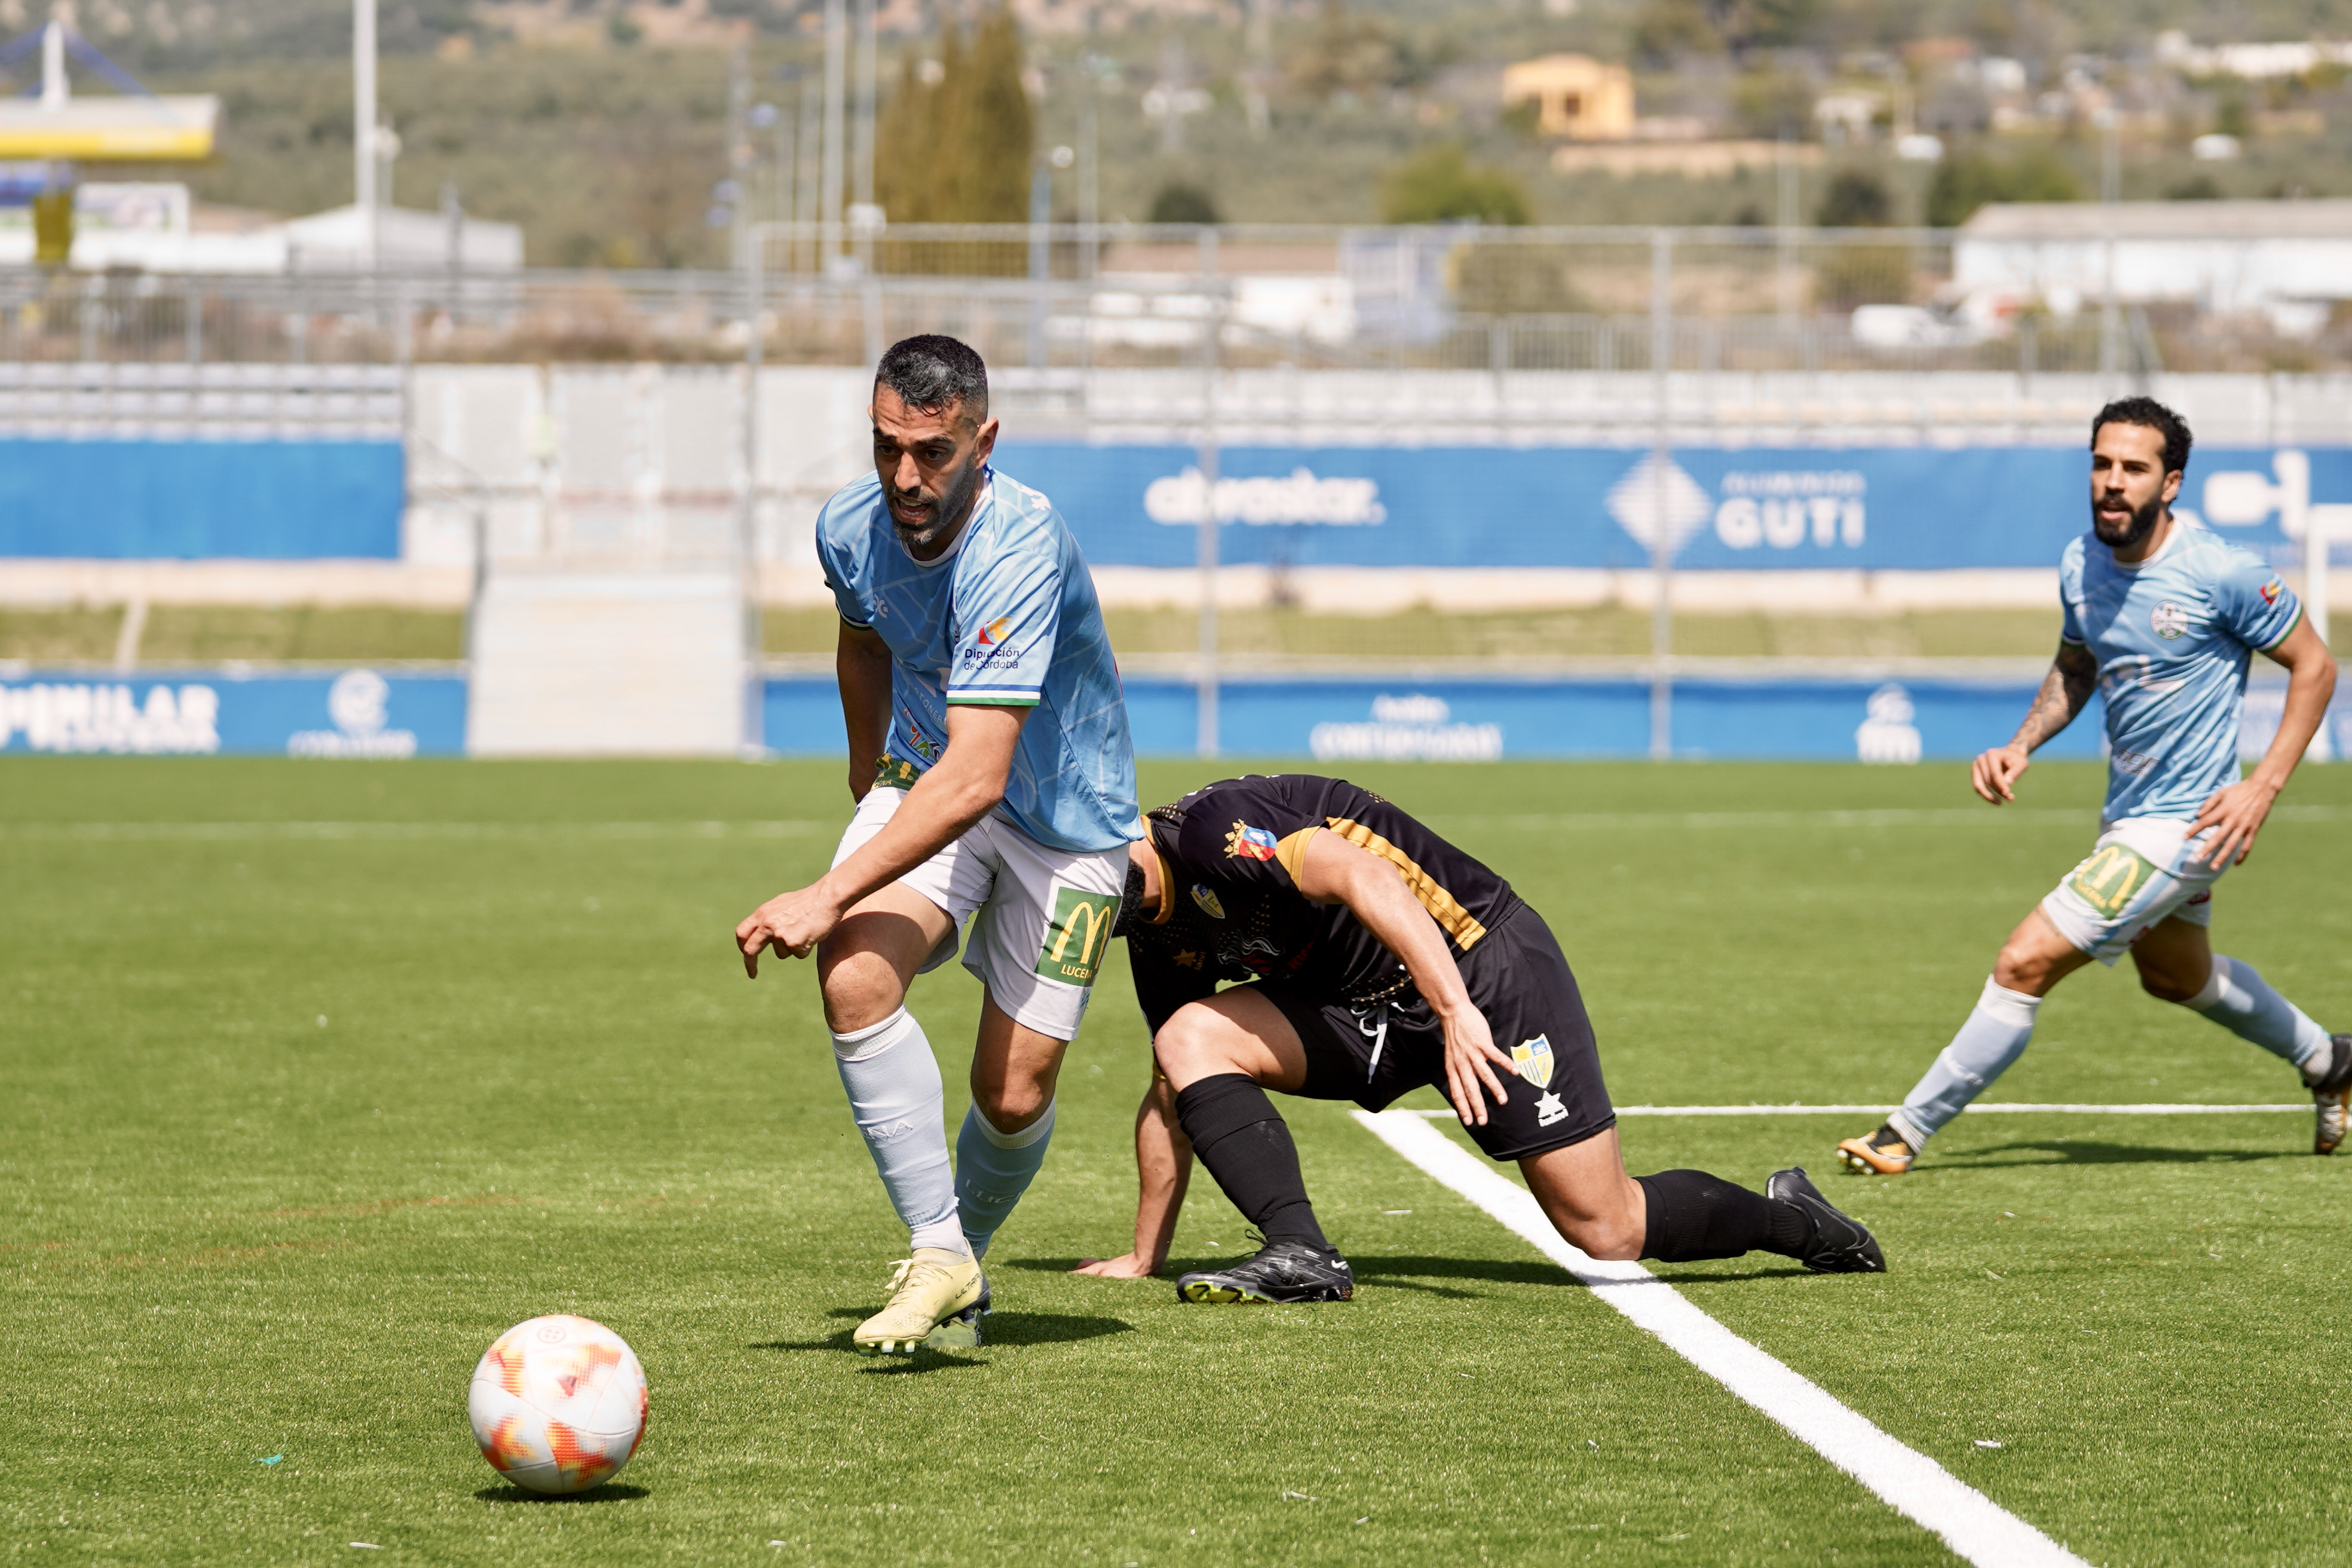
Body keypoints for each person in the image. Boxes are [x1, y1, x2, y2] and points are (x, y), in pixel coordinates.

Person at [1073, 774, 1885, 1300]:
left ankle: (1798, 1220)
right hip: (1359, 1009)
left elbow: (1366, 876)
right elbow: (1169, 1092)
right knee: (1187, 1042)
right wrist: (1147, 1253)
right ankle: (1300, 1252)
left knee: (1605, 1227)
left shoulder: (1214, 826)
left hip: (1481, 966)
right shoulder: (1155, 928)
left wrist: (1459, 1011)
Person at [736, 335, 1141, 1352]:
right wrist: (866, 771)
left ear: (985, 440)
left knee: (1012, 1093)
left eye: (934, 453)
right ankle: (938, 1250)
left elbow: (982, 777)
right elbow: (866, 635)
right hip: (925, 773)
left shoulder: (1020, 545)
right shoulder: (848, 527)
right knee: (856, 977)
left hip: (1069, 821)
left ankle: (964, 1261)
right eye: (886, 449)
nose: (906, 478)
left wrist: (827, 888)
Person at [1838, 397, 2346, 1177]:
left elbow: (2315, 666)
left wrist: (2263, 787)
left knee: (2023, 962)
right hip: (2131, 816)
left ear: (2170, 483)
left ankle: (1902, 1132)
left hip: (2189, 824)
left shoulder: (2222, 571)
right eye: (2103, 464)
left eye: (2134, 469)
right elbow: (2079, 665)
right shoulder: (2081, 563)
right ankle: (2329, 1059)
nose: (2113, 483)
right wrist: (2020, 744)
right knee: (2177, 976)